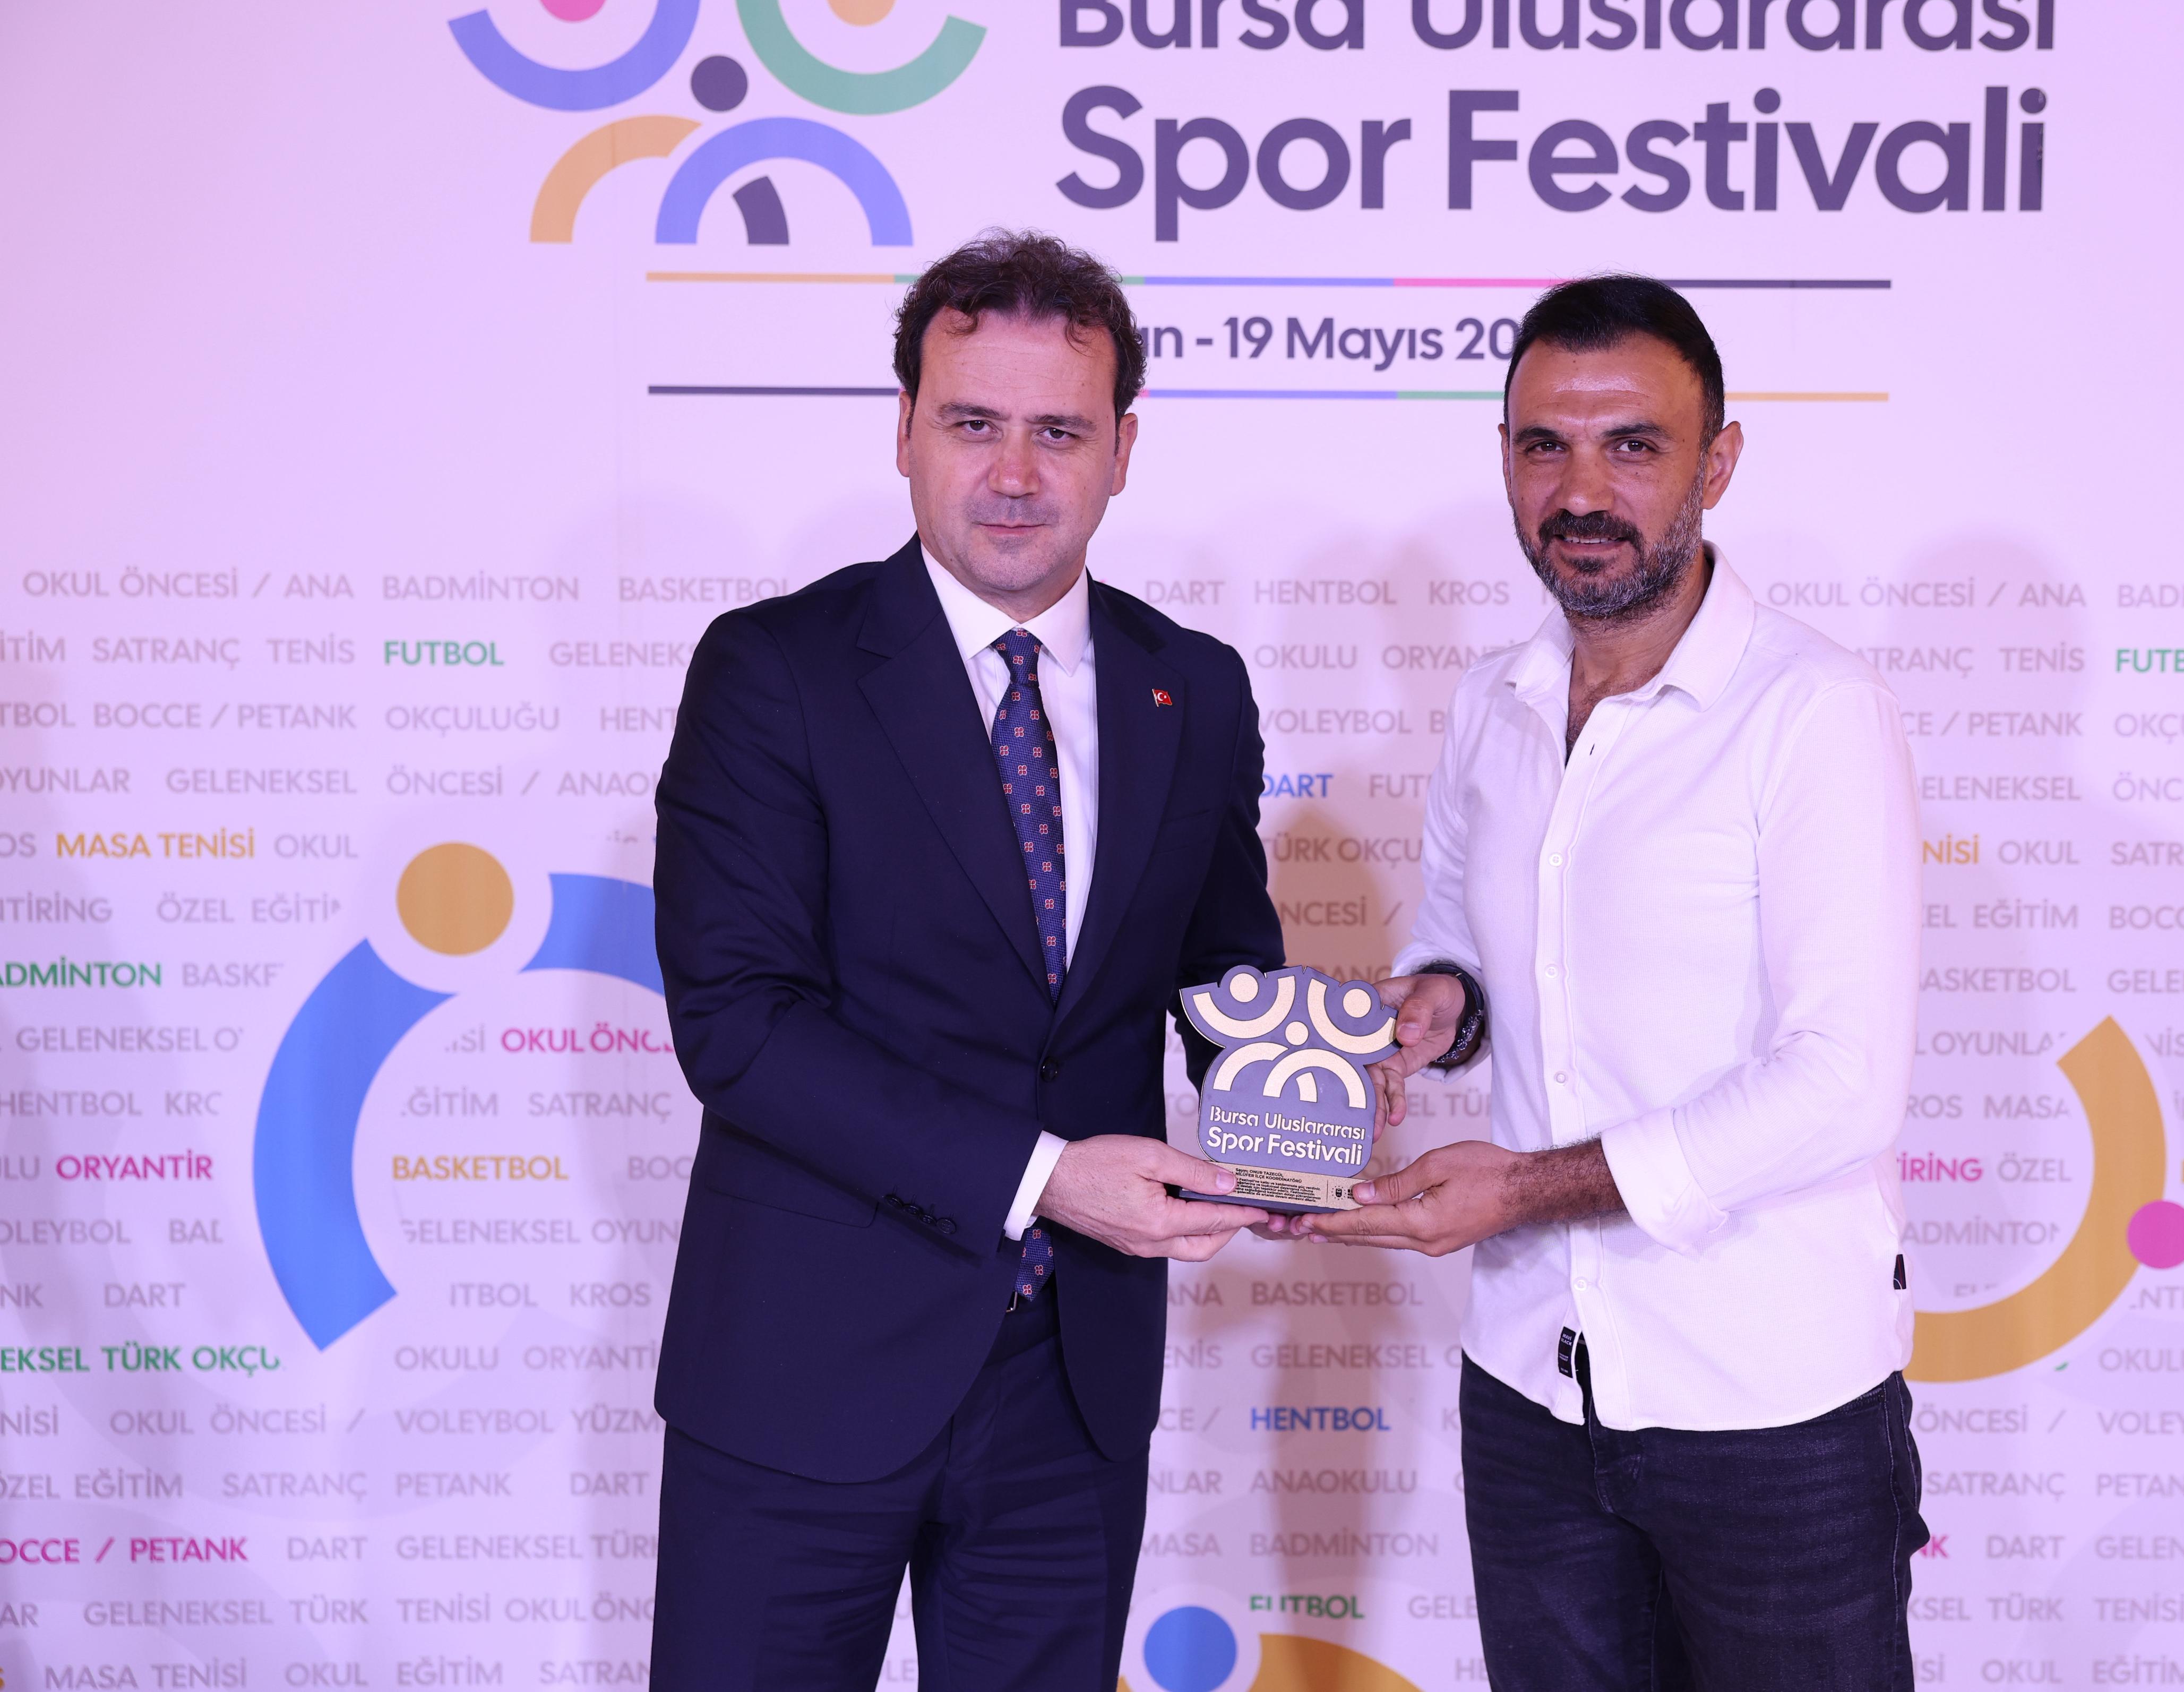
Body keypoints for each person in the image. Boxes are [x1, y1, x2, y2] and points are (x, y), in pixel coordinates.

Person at [647, 230, 1283, 1692]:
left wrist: (1297, 1119)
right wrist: (1046, 1175)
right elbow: (741, 1025)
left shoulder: (1193, 686)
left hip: (1072, 1387)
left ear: (1123, 449)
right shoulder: (775, 671)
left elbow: (1221, 971)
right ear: (905, 432)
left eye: (1059, 431)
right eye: (973, 423)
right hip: (802, 1373)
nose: (1013, 474)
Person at [1294, 275, 1931, 1689]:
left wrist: (1521, 1190)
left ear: (1719, 462)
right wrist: (1435, 1010)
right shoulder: (1494, 700)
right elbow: (1460, 932)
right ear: (1505, 459)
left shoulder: (1814, 711)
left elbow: (1842, 1083)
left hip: (1771, 1414)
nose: (1582, 492)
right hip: (1530, 1389)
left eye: (1633, 446)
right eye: (1546, 447)